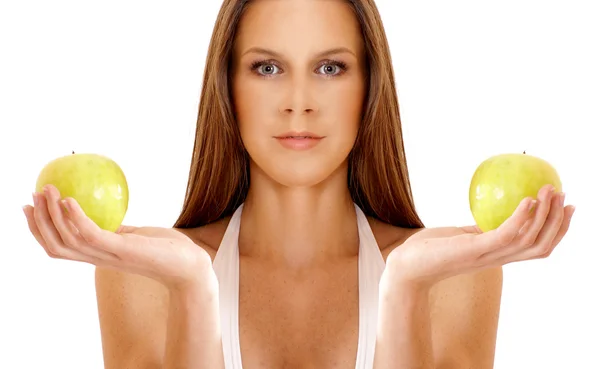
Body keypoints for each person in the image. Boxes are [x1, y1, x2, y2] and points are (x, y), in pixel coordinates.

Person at [22, 0, 575, 368]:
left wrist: (406, 288)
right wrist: (191, 288)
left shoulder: (454, 278)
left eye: (330, 68)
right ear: (228, 88)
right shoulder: (143, 278)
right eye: (267, 68)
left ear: (369, 87)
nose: (299, 101)